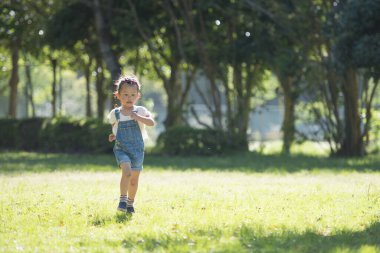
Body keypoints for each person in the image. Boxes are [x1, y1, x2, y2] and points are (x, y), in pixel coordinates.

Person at [107, 74, 155, 213]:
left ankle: (130, 203)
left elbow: (151, 122)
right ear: (118, 95)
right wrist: (113, 135)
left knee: (133, 180)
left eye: (133, 95)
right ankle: (122, 200)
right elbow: (115, 127)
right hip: (121, 148)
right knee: (126, 173)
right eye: (126, 94)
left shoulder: (140, 110)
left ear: (138, 96)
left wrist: (137, 117)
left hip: (137, 150)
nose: (129, 98)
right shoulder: (115, 113)